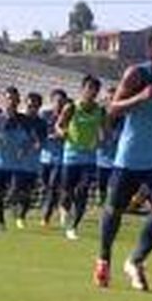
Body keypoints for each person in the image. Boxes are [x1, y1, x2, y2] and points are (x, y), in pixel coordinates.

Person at [94, 22, 152, 291]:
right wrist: (142, 97)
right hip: (130, 158)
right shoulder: (137, 74)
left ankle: (135, 261)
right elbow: (113, 109)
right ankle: (103, 258)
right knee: (114, 211)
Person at [56, 75, 105, 241]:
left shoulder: (100, 110)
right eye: (89, 88)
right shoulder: (71, 107)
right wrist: (62, 132)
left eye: (95, 89)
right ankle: (63, 209)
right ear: (82, 89)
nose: (92, 92)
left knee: (83, 190)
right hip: (71, 155)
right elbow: (59, 124)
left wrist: (102, 137)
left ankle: (73, 226)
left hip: (89, 157)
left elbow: (104, 129)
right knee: (67, 192)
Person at [0, 87, 33, 232]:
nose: (12, 102)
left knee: (16, 192)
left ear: (19, 101)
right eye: (9, 98)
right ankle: (0, 221)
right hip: (0, 163)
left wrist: (24, 150)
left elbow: (30, 140)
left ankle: (17, 213)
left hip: (19, 165)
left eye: (14, 99)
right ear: (4, 100)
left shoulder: (24, 120)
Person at [12, 92, 46, 229]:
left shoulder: (41, 123)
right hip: (16, 162)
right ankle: (15, 210)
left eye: (35, 105)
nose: (31, 107)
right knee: (14, 190)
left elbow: (40, 143)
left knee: (28, 192)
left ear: (39, 107)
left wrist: (33, 144)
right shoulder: (19, 119)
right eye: (29, 104)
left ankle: (21, 216)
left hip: (32, 164)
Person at [39, 89, 68, 228]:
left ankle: (46, 217)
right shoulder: (45, 115)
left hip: (60, 158)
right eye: (57, 101)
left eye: (62, 102)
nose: (59, 104)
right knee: (46, 186)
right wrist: (49, 136)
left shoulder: (68, 116)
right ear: (51, 101)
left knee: (52, 186)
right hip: (45, 157)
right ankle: (58, 205)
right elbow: (39, 132)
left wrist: (64, 135)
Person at [96, 86, 122, 207]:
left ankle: (110, 204)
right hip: (100, 158)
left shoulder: (124, 117)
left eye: (114, 98)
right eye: (109, 98)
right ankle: (102, 201)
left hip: (117, 160)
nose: (111, 101)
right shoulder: (98, 115)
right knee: (101, 185)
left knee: (113, 186)